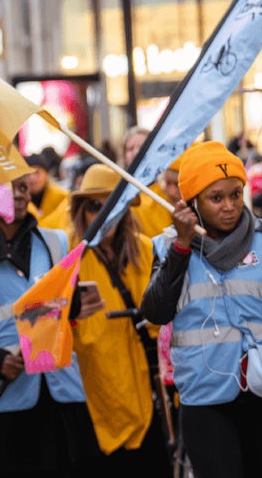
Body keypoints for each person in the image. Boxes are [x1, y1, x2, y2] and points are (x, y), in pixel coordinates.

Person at [142, 141, 262, 478]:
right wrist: (181, 246)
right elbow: (156, 312)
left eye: (236, 194)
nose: (230, 206)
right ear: (191, 203)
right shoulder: (167, 246)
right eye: (216, 198)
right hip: (206, 400)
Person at [0, 174, 99, 478]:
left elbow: (71, 303)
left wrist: (75, 301)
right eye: (7, 187)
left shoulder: (57, 242)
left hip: (63, 392)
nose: (18, 194)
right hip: (8, 395)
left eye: (22, 186)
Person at [67, 165, 172, 477]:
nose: (103, 215)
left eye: (112, 205)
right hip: (94, 397)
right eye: (95, 206)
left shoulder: (145, 250)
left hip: (145, 394)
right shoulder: (69, 261)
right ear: (81, 211)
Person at [25, 151, 69, 228]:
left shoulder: (63, 198)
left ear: (46, 175)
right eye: (28, 173)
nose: (32, 178)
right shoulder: (18, 201)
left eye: (37, 172)